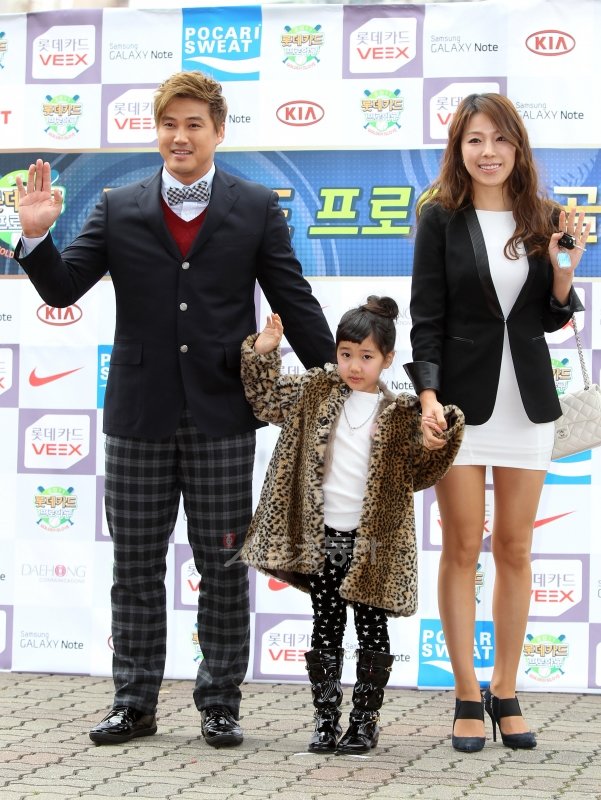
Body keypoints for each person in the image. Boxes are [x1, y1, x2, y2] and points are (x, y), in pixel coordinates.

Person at [14, 70, 335, 748]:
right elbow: (65, 288)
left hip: (223, 414)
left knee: (223, 568)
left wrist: (339, 377)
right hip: (139, 415)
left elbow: (293, 296)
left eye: (193, 124)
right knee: (135, 568)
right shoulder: (118, 205)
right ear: (156, 132)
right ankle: (133, 703)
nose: (180, 136)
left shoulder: (255, 206)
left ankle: (220, 703)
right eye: (169, 124)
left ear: (218, 132)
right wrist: (38, 239)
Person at [404, 92, 590, 753]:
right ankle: (464, 693)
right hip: (459, 406)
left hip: (527, 404)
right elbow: (425, 315)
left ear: (518, 147)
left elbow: (548, 316)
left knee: (514, 549)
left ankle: (505, 691)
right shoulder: (438, 218)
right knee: (461, 547)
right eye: (475, 140)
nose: (488, 152)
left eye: (500, 139)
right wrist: (427, 396)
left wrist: (564, 272)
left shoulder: (543, 217)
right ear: (458, 148)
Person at [239, 297, 464, 753]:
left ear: (387, 360)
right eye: (346, 354)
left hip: (372, 543)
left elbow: (421, 472)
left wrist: (441, 434)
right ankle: (325, 720)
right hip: (323, 538)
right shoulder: (315, 390)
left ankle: (364, 722)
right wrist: (263, 352)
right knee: (325, 623)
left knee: (371, 627)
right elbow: (266, 400)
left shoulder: (401, 413)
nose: (354, 366)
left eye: (366, 356)